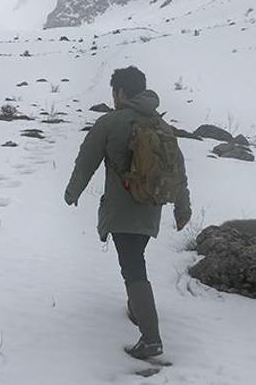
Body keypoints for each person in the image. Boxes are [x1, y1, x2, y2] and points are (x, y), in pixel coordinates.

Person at [64, 66, 192, 359]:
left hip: (122, 209)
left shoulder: (111, 122)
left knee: (133, 266)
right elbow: (178, 170)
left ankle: (151, 338)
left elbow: (86, 161)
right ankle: (137, 309)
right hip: (151, 208)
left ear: (120, 92)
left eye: (114, 92)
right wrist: (183, 207)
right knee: (135, 258)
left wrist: (73, 192)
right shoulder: (161, 125)